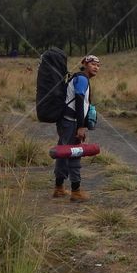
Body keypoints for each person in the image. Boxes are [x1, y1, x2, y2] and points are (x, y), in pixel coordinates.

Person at [53, 54, 100, 202]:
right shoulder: (82, 79)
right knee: (75, 153)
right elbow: (79, 101)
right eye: (92, 63)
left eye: (98, 65)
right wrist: (81, 126)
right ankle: (76, 191)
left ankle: (59, 188)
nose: (96, 67)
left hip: (66, 121)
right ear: (84, 64)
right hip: (70, 122)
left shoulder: (80, 78)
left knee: (63, 152)